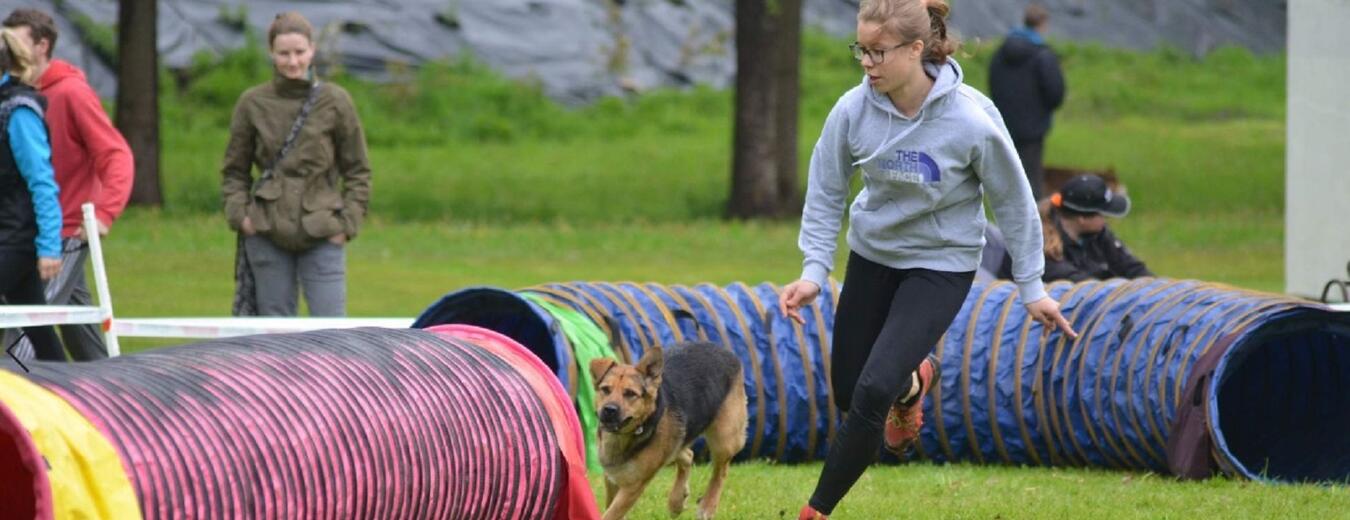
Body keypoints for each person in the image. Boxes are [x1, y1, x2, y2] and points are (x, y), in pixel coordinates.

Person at [775, 1, 1076, 518]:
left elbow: (1014, 201)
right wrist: (813, 271)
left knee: (872, 391)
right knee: (850, 392)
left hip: (941, 265)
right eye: (861, 51)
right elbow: (826, 191)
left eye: (878, 52)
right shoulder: (852, 109)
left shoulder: (970, 120)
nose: (866, 63)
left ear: (917, 50)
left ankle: (816, 509)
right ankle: (916, 380)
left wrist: (1032, 287)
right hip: (873, 255)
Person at [3, 9, 134, 361]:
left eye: (14, 42)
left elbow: (116, 154)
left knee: (25, 333)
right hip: (24, 232)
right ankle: (107, 391)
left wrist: (105, 213)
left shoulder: (72, 93)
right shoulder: (13, 96)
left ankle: (19, 405)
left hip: (63, 233)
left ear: (42, 45)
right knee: (78, 329)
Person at [221, 12, 371, 317]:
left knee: (332, 333)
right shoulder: (252, 103)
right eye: (284, 54)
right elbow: (234, 170)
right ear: (271, 54)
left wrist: (346, 225)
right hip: (266, 230)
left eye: (299, 52)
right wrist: (242, 217)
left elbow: (358, 170)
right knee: (273, 338)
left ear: (312, 51)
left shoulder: (336, 101)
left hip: (323, 229)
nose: (292, 62)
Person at [0, 27, 67, 361]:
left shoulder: (19, 110)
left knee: (35, 323)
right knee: (40, 332)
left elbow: (42, 181)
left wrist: (49, 247)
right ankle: (66, 390)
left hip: (16, 238)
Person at [987, 3, 1065, 200]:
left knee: (1008, 171)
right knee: (1031, 176)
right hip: (1034, 126)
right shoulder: (1043, 55)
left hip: (1005, 121)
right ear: (1043, 24)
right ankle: (1034, 219)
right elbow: (1055, 92)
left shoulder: (1000, 52)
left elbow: (993, 83)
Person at [1014, 174, 1153, 282]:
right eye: (1103, 214)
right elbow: (1085, 287)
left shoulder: (1098, 234)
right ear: (1082, 219)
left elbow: (1131, 267)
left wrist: (1160, 291)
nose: (1106, 220)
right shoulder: (1042, 249)